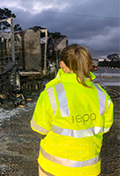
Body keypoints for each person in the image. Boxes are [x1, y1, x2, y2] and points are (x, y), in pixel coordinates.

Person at [30, 44, 114, 176]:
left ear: (62, 64)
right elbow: (105, 127)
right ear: (88, 65)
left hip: (53, 168)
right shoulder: (102, 95)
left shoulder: (50, 94)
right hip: (89, 170)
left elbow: (39, 128)